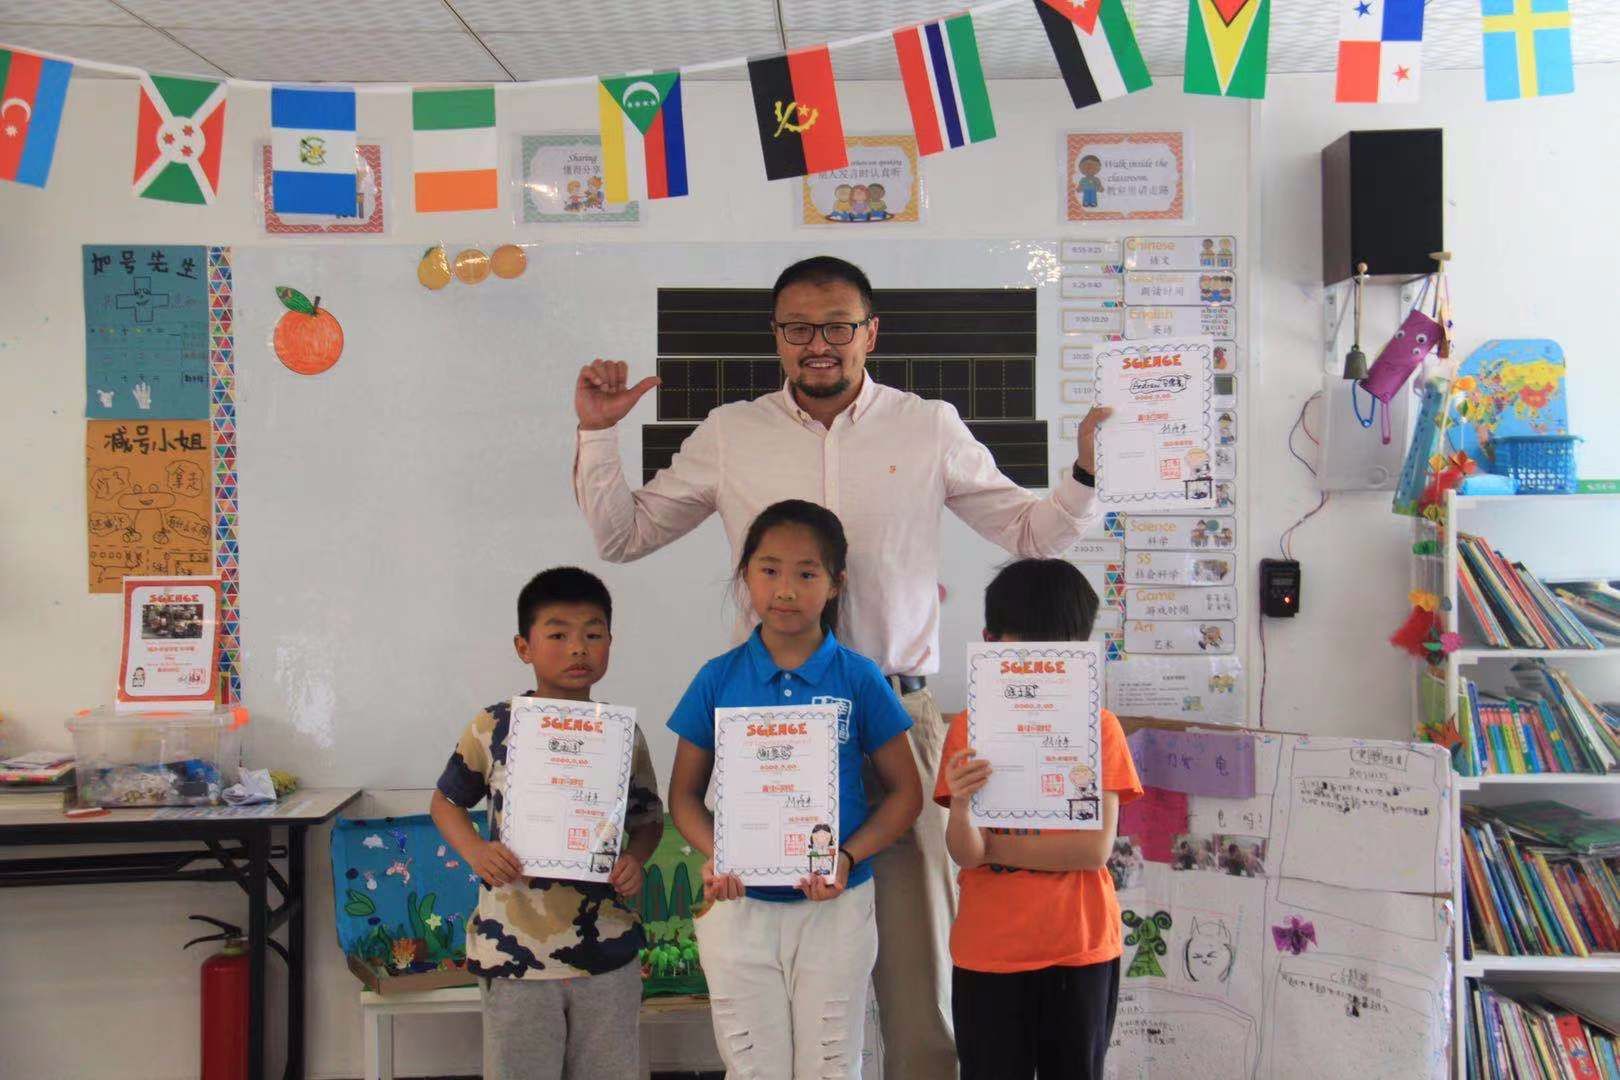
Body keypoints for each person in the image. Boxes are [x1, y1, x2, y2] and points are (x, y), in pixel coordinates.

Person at [572, 255, 1110, 1077]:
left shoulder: (927, 426)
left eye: (837, 326)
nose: (817, 343)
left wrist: (1087, 471)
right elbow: (623, 536)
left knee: (917, 984)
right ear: (776, 336)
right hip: (774, 735)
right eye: (797, 327)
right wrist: (596, 434)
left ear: (871, 333)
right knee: (787, 979)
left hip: (895, 725)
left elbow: (1034, 533)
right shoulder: (731, 432)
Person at [666, 501, 923, 1079]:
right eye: (769, 570)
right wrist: (719, 852)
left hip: (836, 904)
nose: (785, 589)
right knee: (753, 1069)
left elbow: (906, 794)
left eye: (806, 573)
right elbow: (683, 796)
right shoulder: (717, 678)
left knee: (831, 1066)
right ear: (746, 575)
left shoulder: (859, 677)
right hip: (739, 907)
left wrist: (846, 856)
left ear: (835, 584)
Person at [430, 567, 664, 1080]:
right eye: (558, 635)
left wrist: (636, 859)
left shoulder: (621, 734)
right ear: (524, 647)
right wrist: (477, 852)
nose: (578, 648)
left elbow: (648, 820)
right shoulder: (494, 726)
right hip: (515, 956)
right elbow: (445, 804)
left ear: (610, 642)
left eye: (593, 634)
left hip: (607, 953)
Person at [937, 559, 1143, 1080]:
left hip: (1079, 947)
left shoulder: (1101, 728)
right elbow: (964, 852)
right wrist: (961, 805)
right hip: (989, 951)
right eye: (1027, 644)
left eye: (1062, 648)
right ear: (990, 642)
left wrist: (995, 849)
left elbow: (1092, 851)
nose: (1045, 661)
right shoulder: (968, 729)